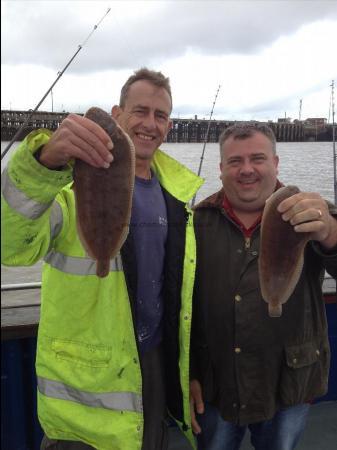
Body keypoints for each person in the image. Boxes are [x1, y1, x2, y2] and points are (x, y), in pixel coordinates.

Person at [1, 68, 203, 450]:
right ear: (118, 112)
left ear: (170, 125)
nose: (149, 123)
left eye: (160, 115)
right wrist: (43, 164)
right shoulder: (69, 188)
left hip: (153, 363)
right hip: (83, 398)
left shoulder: (177, 199)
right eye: (140, 111)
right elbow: (12, 247)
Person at [189, 122, 337, 450]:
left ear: (276, 163)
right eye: (235, 161)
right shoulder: (196, 223)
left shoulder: (313, 214)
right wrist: (188, 374)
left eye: (257, 159)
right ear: (221, 168)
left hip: (289, 383)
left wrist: (329, 232)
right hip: (218, 384)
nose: (247, 170)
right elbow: (182, 309)